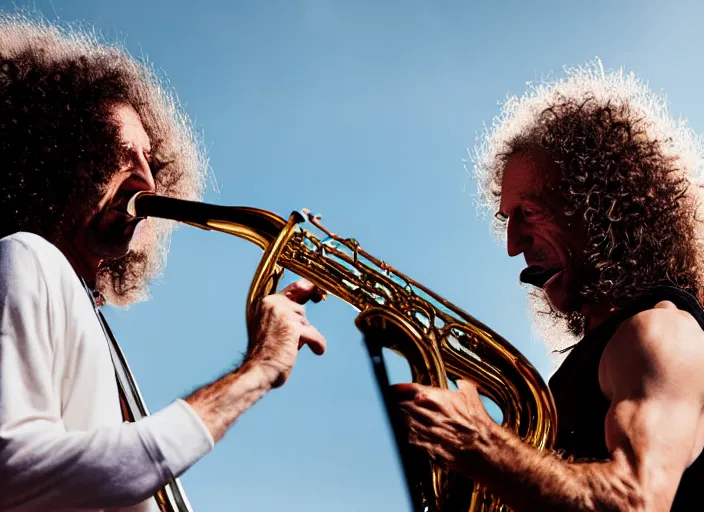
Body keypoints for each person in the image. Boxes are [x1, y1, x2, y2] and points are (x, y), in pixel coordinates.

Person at [0, 13, 326, 512]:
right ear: (51, 154)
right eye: (120, 153)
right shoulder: (27, 255)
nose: (148, 182)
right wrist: (257, 369)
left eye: (152, 161)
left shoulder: (83, 309)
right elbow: (13, 469)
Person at [395, 60, 704, 511]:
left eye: (531, 213)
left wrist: (482, 444)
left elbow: (639, 500)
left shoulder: (661, 334)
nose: (513, 245)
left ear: (604, 210)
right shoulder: (601, 354)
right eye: (507, 220)